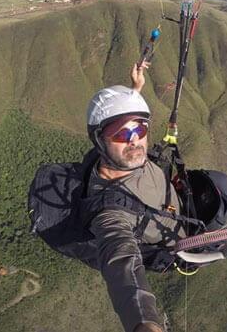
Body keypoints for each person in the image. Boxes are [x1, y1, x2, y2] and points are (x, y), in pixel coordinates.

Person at [84, 61, 183, 332]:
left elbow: (125, 125)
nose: (135, 141)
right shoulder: (109, 212)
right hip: (177, 242)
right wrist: (144, 325)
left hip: (174, 208)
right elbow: (120, 263)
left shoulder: (124, 158)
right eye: (121, 133)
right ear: (99, 141)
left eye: (140, 129)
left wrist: (135, 90)